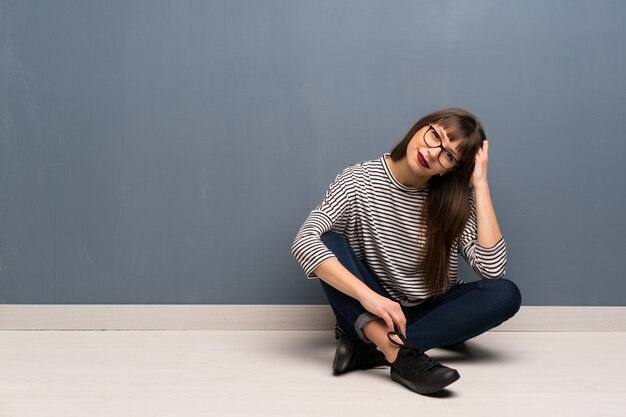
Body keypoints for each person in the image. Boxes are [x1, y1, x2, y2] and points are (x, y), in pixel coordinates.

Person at [290, 107, 522, 395]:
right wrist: (370, 298)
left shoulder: (453, 200)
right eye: (435, 136)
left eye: (449, 155)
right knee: (327, 239)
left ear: (451, 168)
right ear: (421, 126)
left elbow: (492, 270)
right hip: (375, 310)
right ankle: (392, 347)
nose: (434, 152)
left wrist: (480, 184)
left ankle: (373, 348)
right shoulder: (357, 180)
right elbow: (304, 239)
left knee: (505, 294)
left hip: (429, 310)